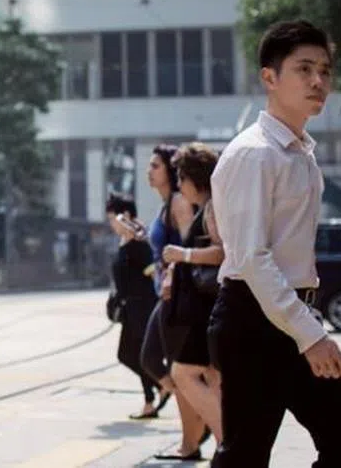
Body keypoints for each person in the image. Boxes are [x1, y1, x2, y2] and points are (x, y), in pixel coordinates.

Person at [209, 20, 341, 467]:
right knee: (246, 456)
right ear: (270, 78)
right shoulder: (255, 153)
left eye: (325, 71)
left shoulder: (299, 153)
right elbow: (252, 258)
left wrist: (304, 326)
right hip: (253, 320)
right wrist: (311, 336)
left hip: (286, 315)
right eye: (304, 69)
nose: (318, 82)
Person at [138, 144, 205, 458]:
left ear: (169, 171)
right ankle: (191, 438)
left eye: (155, 165)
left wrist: (172, 271)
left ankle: (194, 435)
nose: (149, 171)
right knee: (166, 365)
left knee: (159, 361)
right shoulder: (166, 204)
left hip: (175, 294)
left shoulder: (178, 202)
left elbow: (190, 241)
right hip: (166, 293)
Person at [161, 144, 224, 455]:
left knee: (182, 372)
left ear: (195, 178)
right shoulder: (207, 208)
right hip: (202, 308)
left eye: (182, 176)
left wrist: (182, 254)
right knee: (212, 376)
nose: (179, 184)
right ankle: (226, 445)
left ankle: (228, 442)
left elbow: (224, 252)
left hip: (204, 309)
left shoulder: (212, 209)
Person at [104, 193, 161, 419]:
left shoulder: (138, 242)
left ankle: (161, 387)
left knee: (134, 354)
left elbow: (152, 268)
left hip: (142, 308)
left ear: (125, 215)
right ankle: (154, 394)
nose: (111, 224)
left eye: (112, 218)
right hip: (130, 309)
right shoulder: (126, 242)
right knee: (130, 355)